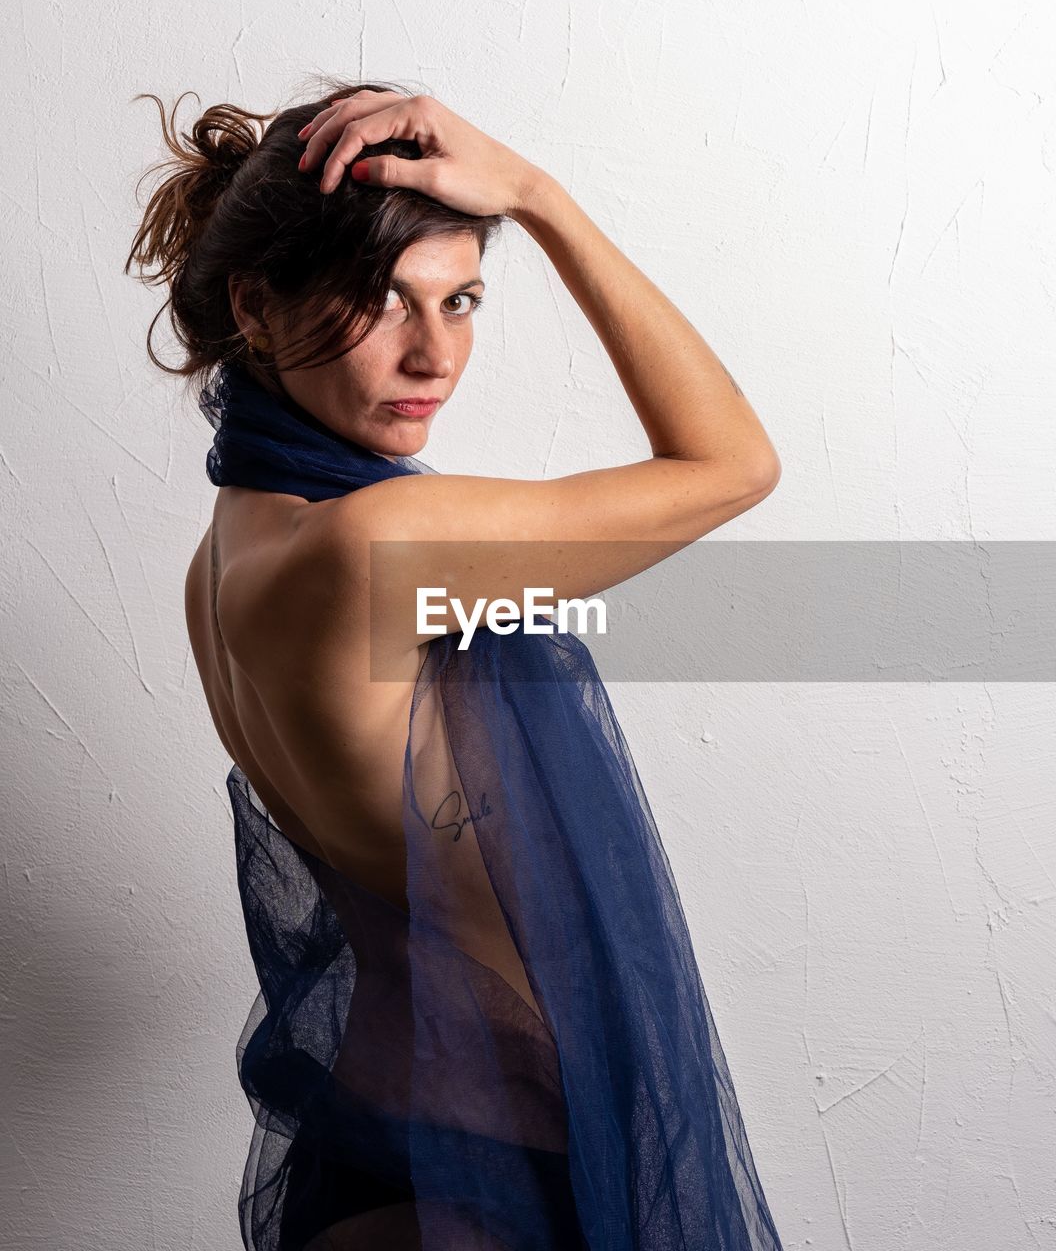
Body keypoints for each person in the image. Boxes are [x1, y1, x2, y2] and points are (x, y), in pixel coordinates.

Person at [127, 81, 785, 1250]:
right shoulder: (375, 546)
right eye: (383, 303)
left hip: (384, 1135)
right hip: (492, 1173)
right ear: (257, 307)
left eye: (463, 298)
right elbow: (733, 461)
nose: (435, 351)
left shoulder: (222, 555)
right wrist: (536, 195)